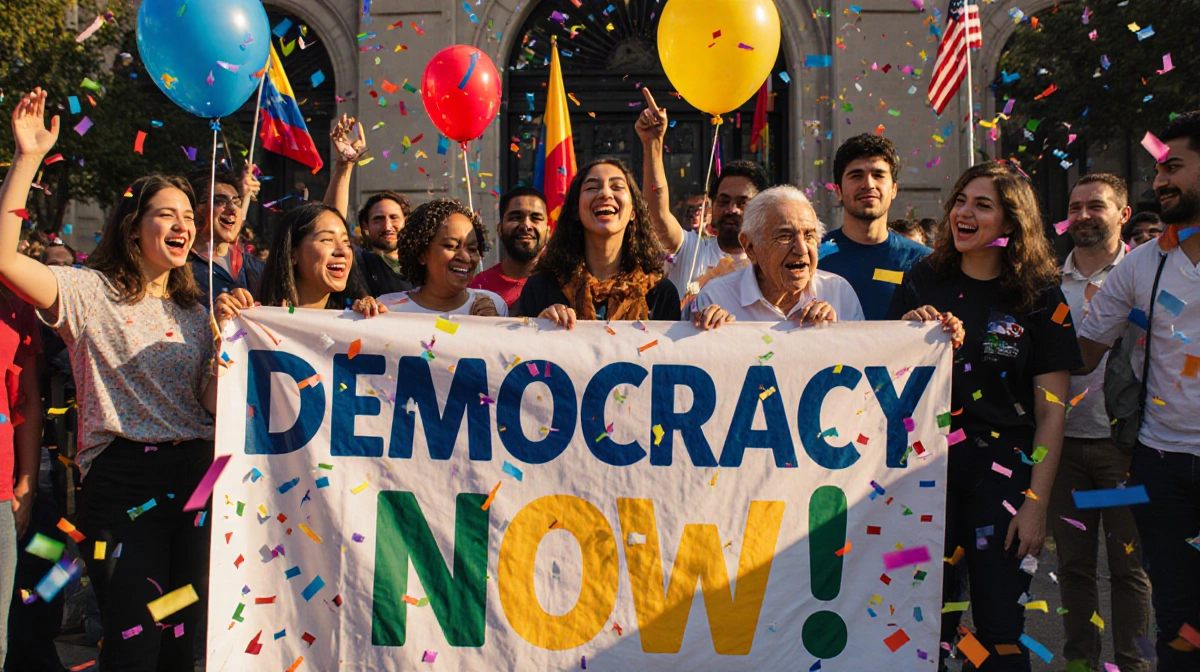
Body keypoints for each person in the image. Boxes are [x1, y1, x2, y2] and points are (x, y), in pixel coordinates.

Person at [0, 89, 220, 671]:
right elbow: (5, 259)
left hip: (197, 481)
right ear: (132, 226)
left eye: (188, 217)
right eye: (166, 214)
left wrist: (235, 350)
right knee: (134, 637)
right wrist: (27, 159)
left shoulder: (198, 313)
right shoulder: (87, 293)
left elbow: (209, 402)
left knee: (181, 635)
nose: (183, 225)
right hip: (124, 485)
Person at [887, 162, 1081, 671]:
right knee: (929, 623)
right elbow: (884, 382)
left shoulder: (1042, 295)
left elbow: (1051, 413)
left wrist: (1036, 503)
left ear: (1011, 223)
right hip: (925, 474)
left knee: (999, 628)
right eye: (960, 200)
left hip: (1005, 475)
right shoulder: (922, 278)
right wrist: (903, 331)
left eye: (982, 205)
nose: (964, 213)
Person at [1074, 111, 1200, 672]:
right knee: (1177, 617)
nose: (1160, 181)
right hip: (1161, 464)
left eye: (1174, 167)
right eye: (1157, 170)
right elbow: (1082, 352)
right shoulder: (1142, 265)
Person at [1051, 174, 1151, 672]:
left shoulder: (1145, 275)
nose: (1084, 216)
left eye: (1096, 206)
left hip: (1122, 452)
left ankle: (1133, 665)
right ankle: (1079, 664)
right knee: (1073, 567)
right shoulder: (1048, 281)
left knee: (1128, 568)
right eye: (1075, 207)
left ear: (1123, 214)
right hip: (1063, 449)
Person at [515, 158, 682, 326]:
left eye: (617, 187)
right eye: (592, 188)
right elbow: (525, 350)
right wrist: (539, 327)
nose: (605, 194)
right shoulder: (541, 288)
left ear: (633, 211)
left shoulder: (660, 293)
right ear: (576, 209)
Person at [635, 88, 768, 298]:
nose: (731, 210)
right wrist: (653, 143)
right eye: (723, 201)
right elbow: (657, 214)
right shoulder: (690, 249)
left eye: (743, 203)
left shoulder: (772, 265)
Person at [695, 185, 867, 325]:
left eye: (809, 236)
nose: (801, 249)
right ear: (750, 247)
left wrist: (836, 333)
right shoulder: (717, 297)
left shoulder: (838, 293)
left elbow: (859, 360)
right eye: (785, 236)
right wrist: (717, 334)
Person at [822, 134, 931, 320]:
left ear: (894, 189)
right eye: (856, 176)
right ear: (838, 191)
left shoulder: (923, 261)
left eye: (878, 175)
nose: (868, 184)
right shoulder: (814, 255)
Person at [216, 202, 383, 320]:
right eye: (327, 240)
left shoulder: (358, 319)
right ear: (292, 254)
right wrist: (224, 323)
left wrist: (376, 320)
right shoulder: (253, 318)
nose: (342, 252)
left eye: (346, 242)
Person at [373, 199, 505, 316]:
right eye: (451, 246)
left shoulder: (494, 306)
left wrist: (490, 326)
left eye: (472, 248)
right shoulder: (387, 309)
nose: (465, 257)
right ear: (421, 254)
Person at [187, 165, 263, 300]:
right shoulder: (177, 270)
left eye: (236, 202)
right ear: (193, 209)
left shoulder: (260, 269)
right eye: (219, 201)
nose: (233, 209)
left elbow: (292, 309)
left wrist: (289, 310)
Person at [469, 187, 549, 308]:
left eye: (536, 218)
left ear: (549, 231)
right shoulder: (477, 288)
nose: (526, 225)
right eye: (516, 217)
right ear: (500, 229)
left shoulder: (563, 286)